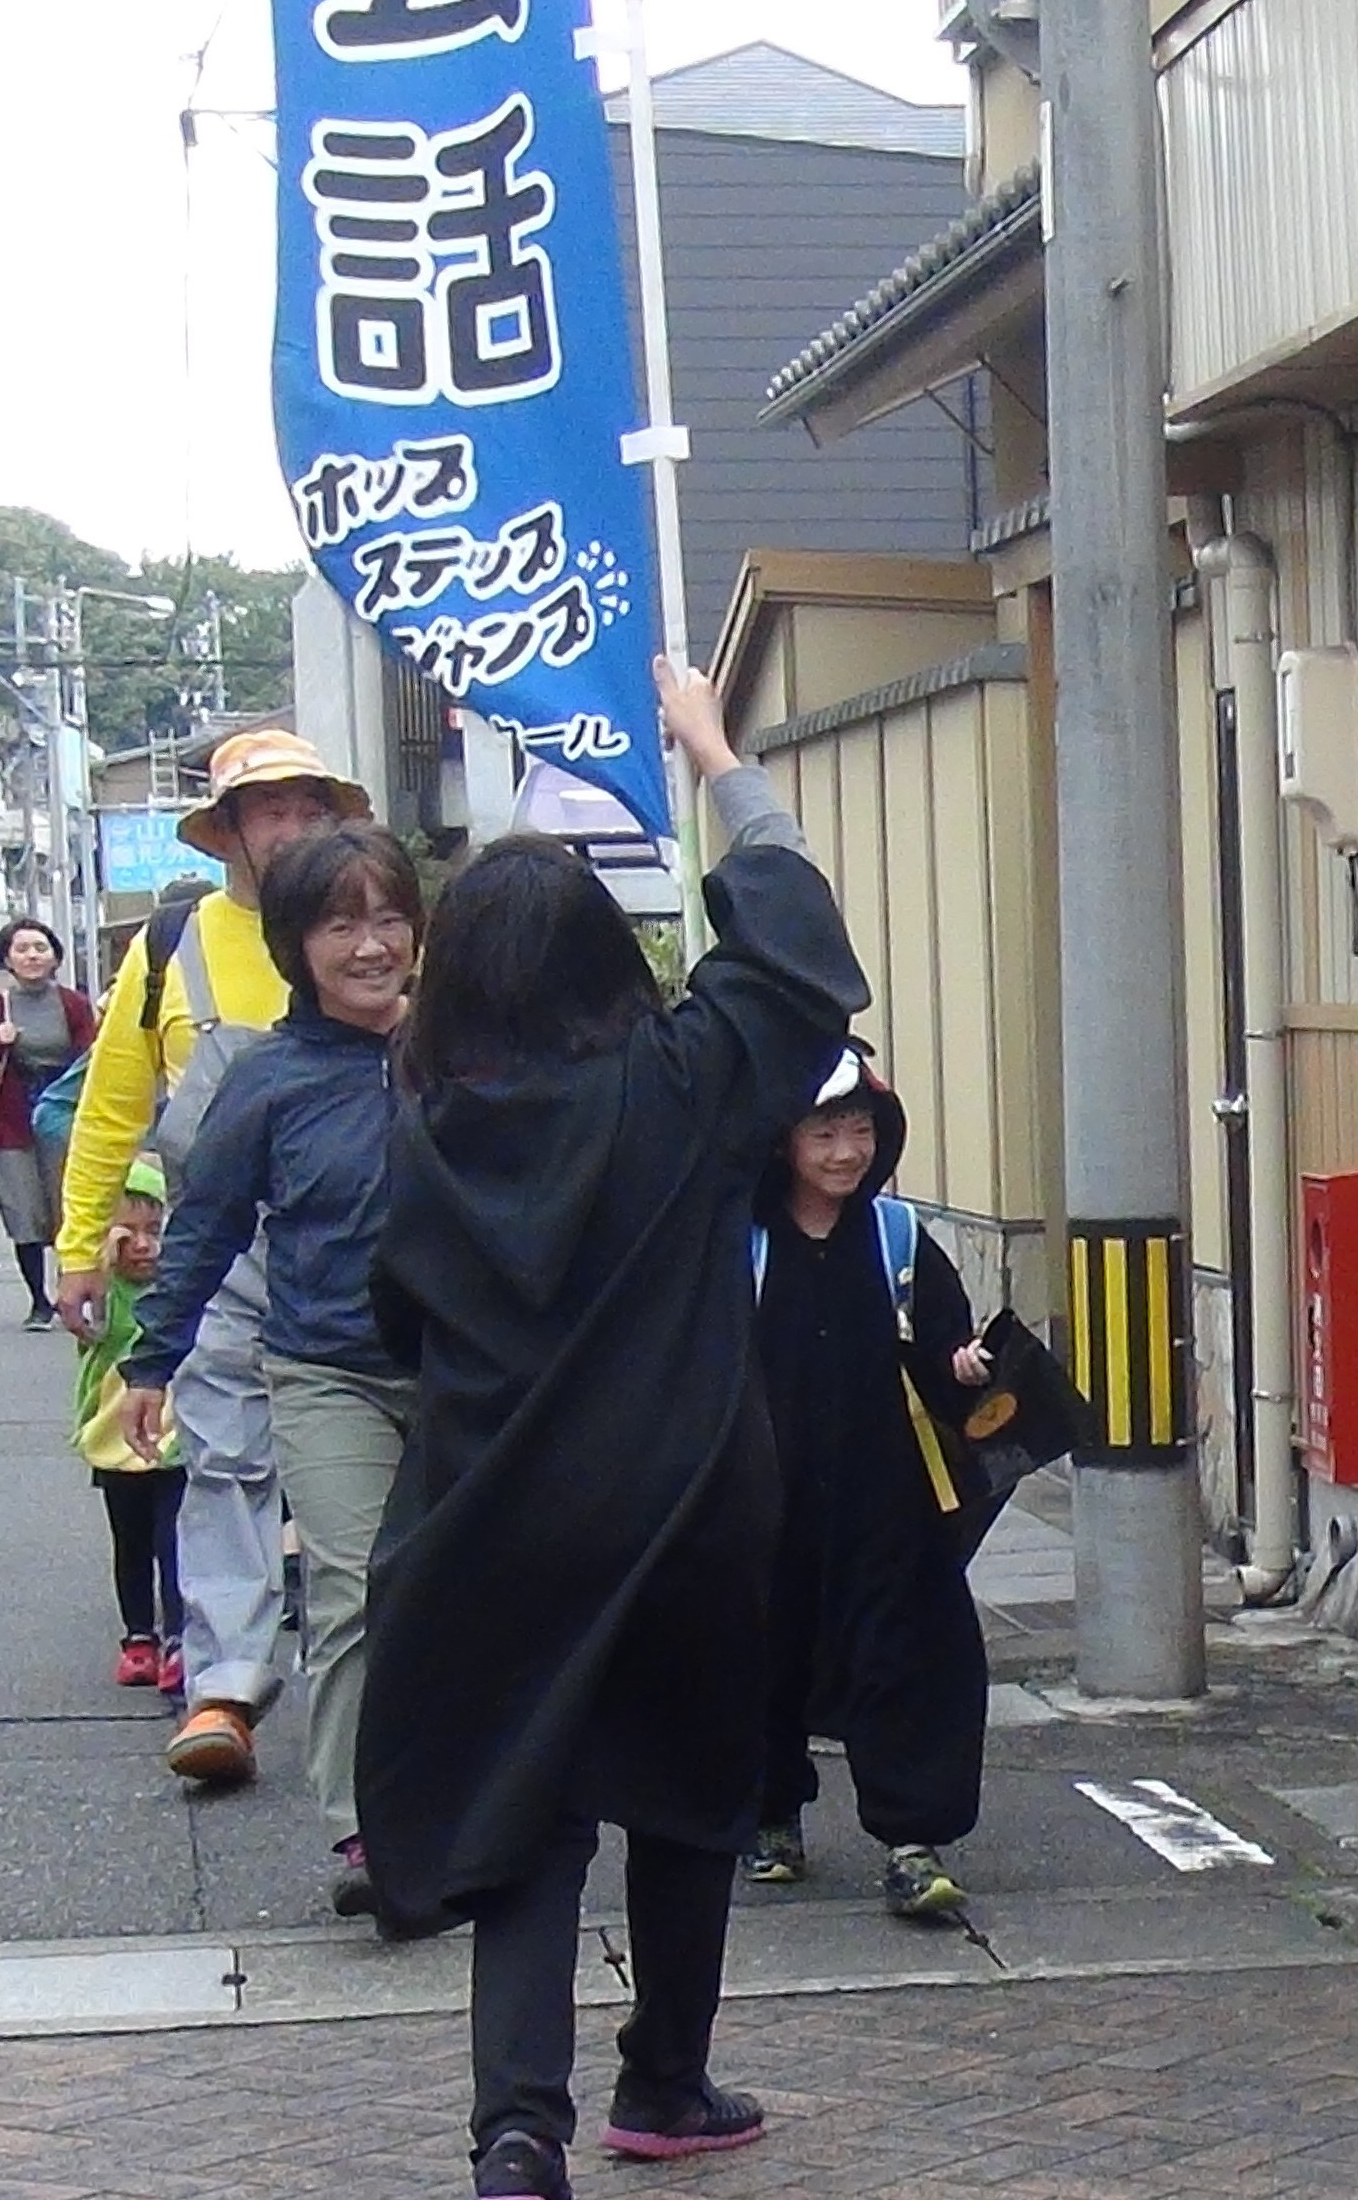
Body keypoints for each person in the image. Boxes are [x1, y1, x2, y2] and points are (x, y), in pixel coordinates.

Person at [358, 659, 868, 2200]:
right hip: (687, 1503)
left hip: (492, 1515)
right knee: (690, 1795)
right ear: (605, 962)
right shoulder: (684, 1081)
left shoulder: (423, 1127)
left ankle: (518, 2129)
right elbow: (794, 952)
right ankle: (667, 2081)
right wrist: (715, 754)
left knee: (529, 1813)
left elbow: (392, 1325)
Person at [54, 727, 363, 1790]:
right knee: (223, 1456)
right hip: (219, 1244)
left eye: (309, 807)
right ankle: (225, 1686)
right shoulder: (170, 946)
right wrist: (82, 1246)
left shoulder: (367, 933)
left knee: (370, 1471)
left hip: (358, 1240)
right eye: (269, 809)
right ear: (226, 829)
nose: (292, 827)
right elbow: (112, 1106)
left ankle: (379, 1695)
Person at [122, 825, 420, 1919]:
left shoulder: (460, 1052)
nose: (370, 945)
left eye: (389, 918)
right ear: (295, 943)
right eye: (340, 923)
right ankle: (367, 1826)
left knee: (463, 1592)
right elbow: (204, 1226)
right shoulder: (266, 1079)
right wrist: (152, 1358)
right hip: (327, 1370)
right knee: (353, 1586)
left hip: (468, 1369)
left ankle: (469, 1804)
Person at [746, 1043, 995, 1916]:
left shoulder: (897, 1237)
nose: (845, 1151)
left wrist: (962, 1365)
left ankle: (911, 1841)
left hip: (884, 1494)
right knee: (762, 1656)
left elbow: (944, 1347)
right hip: (764, 1497)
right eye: (824, 1133)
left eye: (859, 1130)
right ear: (783, 1141)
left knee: (906, 1659)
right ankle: (770, 1815)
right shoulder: (741, 1239)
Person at [75, 1156, 182, 1694]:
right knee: (131, 1540)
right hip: (115, 1436)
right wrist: (98, 1251)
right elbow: (83, 1298)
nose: (143, 1245)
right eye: (128, 1233)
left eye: (155, 1231)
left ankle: (181, 1636)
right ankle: (139, 1636)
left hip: (177, 1435)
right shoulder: (108, 1294)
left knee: (175, 1539)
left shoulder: (180, 1290)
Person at [0, 917, 97, 1330]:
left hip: (64, 1116)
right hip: (11, 1121)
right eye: (22, 949)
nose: (32, 956)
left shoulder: (73, 1004)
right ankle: (38, 1300)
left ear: (55, 956)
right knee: (22, 1211)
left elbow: (93, 1057)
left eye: (40, 948)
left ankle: (70, 1292)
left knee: (68, 1208)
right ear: (8, 959)